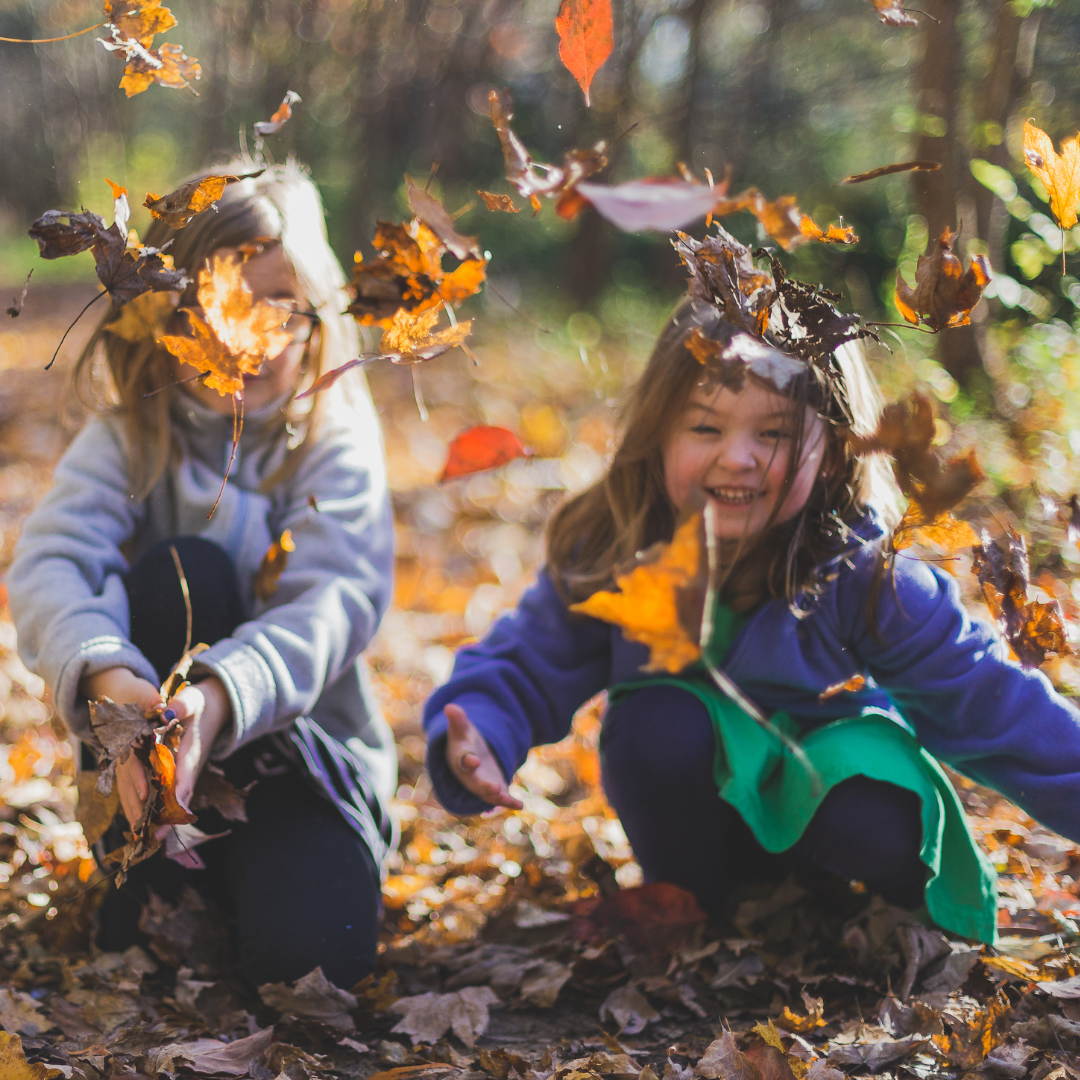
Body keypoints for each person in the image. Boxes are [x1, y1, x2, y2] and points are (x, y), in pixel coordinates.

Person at [423, 227, 1080, 945]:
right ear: (659, 434)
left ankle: (876, 913)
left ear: (832, 452)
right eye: (705, 427)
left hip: (839, 807)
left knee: (863, 795)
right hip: (702, 822)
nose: (736, 458)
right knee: (656, 721)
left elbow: (996, 707)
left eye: (773, 435)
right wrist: (482, 728)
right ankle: (695, 906)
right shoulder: (619, 547)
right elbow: (526, 661)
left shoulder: (865, 575)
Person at [9, 161, 395, 986]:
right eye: (214, 304)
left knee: (314, 967)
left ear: (315, 313)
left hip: (300, 767)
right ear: (162, 315)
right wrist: (111, 677)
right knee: (183, 569)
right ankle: (149, 871)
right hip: (148, 770)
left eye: (275, 307)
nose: (245, 336)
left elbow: (335, 600)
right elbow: (51, 561)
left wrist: (217, 700)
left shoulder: (331, 439)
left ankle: (272, 881)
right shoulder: (131, 438)